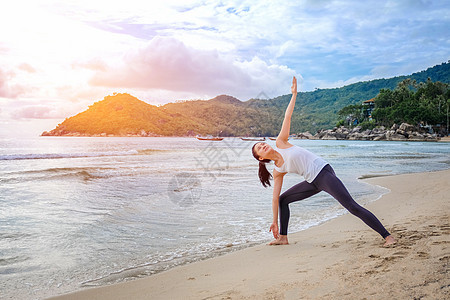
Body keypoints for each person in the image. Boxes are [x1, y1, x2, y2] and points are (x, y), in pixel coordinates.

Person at [252, 76, 396, 247]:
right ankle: (283, 237)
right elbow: (275, 199)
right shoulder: (278, 170)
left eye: (262, 144)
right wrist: (274, 221)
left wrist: (294, 94)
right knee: (284, 199)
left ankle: (387, 236)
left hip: (323, 173)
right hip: (312, 181)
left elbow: (287, 116)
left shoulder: (281, 143)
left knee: (351, 206)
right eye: (260, 148)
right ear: (261, 158)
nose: (263, 146)